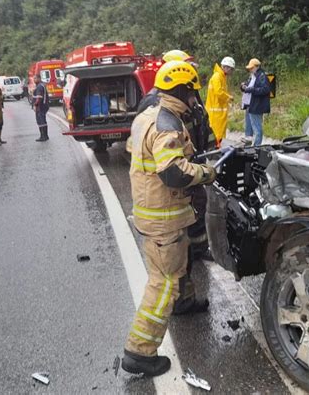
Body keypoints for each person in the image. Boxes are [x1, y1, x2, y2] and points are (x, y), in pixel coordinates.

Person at [122, 60, 216, 377]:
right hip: (163, 218)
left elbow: (132, 148)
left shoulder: (147, 116)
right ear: (181, 90)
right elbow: (173, 172)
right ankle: (139, 352)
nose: (195, 99)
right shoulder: (168, 124)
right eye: (192, 92)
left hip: (158, 213)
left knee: (181, 259)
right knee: (163, 282)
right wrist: (206, 173)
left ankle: (184, 302)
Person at [205, 56, 235, 147]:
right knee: (217, 132)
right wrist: (229, 97)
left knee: (220, 132)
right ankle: (217, 150)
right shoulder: (217, 77)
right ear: (226, 67)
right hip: (216, 112)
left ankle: (219, 147)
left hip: (219, 111)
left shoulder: (221, 76)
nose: (231, 72)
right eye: (231, 69)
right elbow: (219, 92)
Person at [240, 58, 270, 146]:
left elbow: (265, 90)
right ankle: (249, 145)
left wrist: (251, 89)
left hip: (257, 105)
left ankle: (257, 147)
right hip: (250, 105)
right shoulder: (253, 76)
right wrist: (243, 87)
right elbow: (247, 86)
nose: (250, 69)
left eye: (251, 68)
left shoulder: (262, 76)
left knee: (257, 129)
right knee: (249, 129)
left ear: (257, 67)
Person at [33, 73, 49, 142]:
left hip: (40, 106)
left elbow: (39, 98)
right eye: (34, 78)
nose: (34, 80)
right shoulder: (42, 85)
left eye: (35, 78)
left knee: (40, 121)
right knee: (43, 120)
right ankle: (45, 135)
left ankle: (43, 136)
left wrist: (35, 105)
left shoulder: (39, 86)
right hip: (44, 105)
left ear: (39, 78)